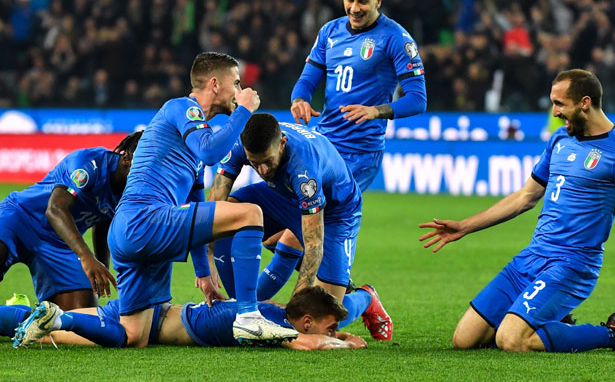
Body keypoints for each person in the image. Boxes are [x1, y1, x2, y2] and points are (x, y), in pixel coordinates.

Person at [49, 52, 296, 349]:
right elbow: (209, 152)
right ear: (215, 84)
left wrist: (204, 273)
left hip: (130, 230)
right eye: (237, 83)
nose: (241, 91)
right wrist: (244, 110)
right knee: (250, 213)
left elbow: (196, 204)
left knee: (134, 335)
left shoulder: (193, 140)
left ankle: (50, 322)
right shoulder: (181, 108)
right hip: (145, 219)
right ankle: (247, 315)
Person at [418, 69, 615, 353]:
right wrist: (465, 226)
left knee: (511, 340)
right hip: (532, 257)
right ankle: (551, 323)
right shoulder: (559, 140)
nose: (555, 112)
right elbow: (525, 197)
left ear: (584, 102)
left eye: (560, 104)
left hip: (572, 265)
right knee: (464, 340)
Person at [209, 113, 392, 341]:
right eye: (255, 164)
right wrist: (206, 264)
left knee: (319, 319)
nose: (262, 171)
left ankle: (366, 298)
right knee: (229, 213)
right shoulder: (241, 143)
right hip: (283, 196)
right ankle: (240, 302)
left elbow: (314, 244)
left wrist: (294, 317)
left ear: (282, 143)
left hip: (336, 213)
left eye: (267, 161)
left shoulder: (304, 169)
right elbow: (213, 209)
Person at [290, 0, 427, 192]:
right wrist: (299, 100)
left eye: (363, 1)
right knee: (294, 212)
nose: (354, 8)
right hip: (323, 142)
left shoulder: (396, 38)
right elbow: (306, 81)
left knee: (315, 212)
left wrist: (375, 111)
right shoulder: (329, 31)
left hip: (360, 153)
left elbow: (418, 99)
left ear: (378, 1)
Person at [0, 132, 142, 310]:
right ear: (126, 158)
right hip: (20, 220)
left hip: (60, 244)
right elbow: (55, 210)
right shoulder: (89, 164)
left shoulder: (134, 187)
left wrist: (101, 263)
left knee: (82, 319)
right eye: (144, 162)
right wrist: (86, 256)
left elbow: (104, 219)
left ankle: (17, 314)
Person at [7, 286, 374, 351]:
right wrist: (347, 344)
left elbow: (307, 333)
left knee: (33, 319)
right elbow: (306, 343)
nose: (335, 331)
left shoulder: (271, 309)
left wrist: (338, 335)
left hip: (146, 307)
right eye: (331, 326)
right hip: (141, 325)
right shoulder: (270, 326)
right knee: (44, 334)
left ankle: (15, 308)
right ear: (306, 320)